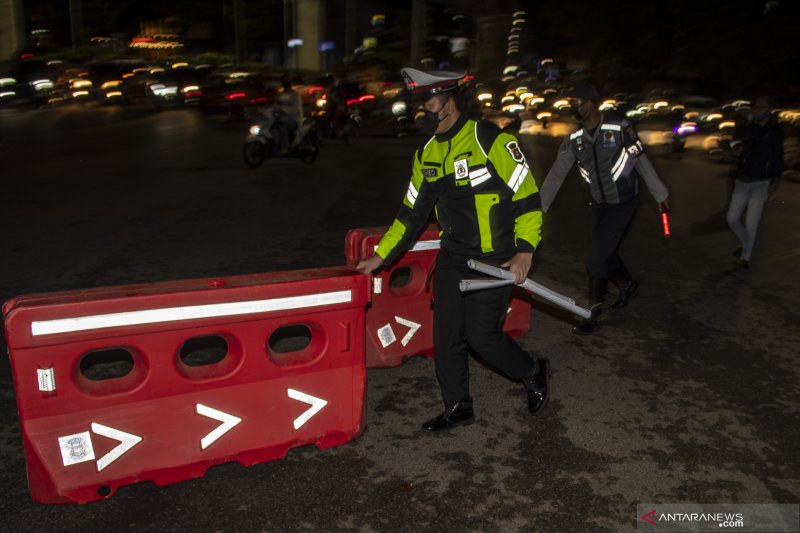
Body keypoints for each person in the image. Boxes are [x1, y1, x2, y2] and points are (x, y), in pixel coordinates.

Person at [356, 67, 551, 432]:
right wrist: (381, 256)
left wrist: (525, 251)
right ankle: (458, 405)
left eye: (427, 102)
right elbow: (410, 214)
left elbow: (527, 196)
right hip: (453, 259)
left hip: (495, 259)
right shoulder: (427, 154)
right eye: (418, 103)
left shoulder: (488, 139)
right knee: (446, 336)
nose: (421, 110)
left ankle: (532, 370)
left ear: (448, 102)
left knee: (482, 336)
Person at [539, 80, 670, 335]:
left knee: (596, 258)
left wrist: (659, 192)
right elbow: (557, 173)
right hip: (599, 203)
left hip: (623, 202)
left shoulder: (619, 127)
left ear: (591, 102)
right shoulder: (575, 139)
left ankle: (592, 312)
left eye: (577, 102)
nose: (573, 107)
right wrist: (539, 207)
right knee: (604, 251)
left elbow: (639, 158)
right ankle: (627, 284)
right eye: (571, 103)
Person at [726, 97, 783, 269]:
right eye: (756, 106)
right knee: (732, 218)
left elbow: (777, 157)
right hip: (742, 179)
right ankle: (745, 243)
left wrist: (775, 180)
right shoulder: (747, 128)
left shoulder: (774, 132)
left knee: (752, 222)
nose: (757, 109)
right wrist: (737, 146)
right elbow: (734, 145)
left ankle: (746, 257)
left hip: (762, 182)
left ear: (768, 109)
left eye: (762, 107)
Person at [275, 74, 304, 155]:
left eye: (286, 82)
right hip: (281, 117)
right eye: (284, 82)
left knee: (282, 125)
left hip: (294, 119)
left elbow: (295, 108)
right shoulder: (281, 94)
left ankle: (285, 147)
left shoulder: (295, 94)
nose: (285, 84)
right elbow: (276, 105)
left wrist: (284, 112)